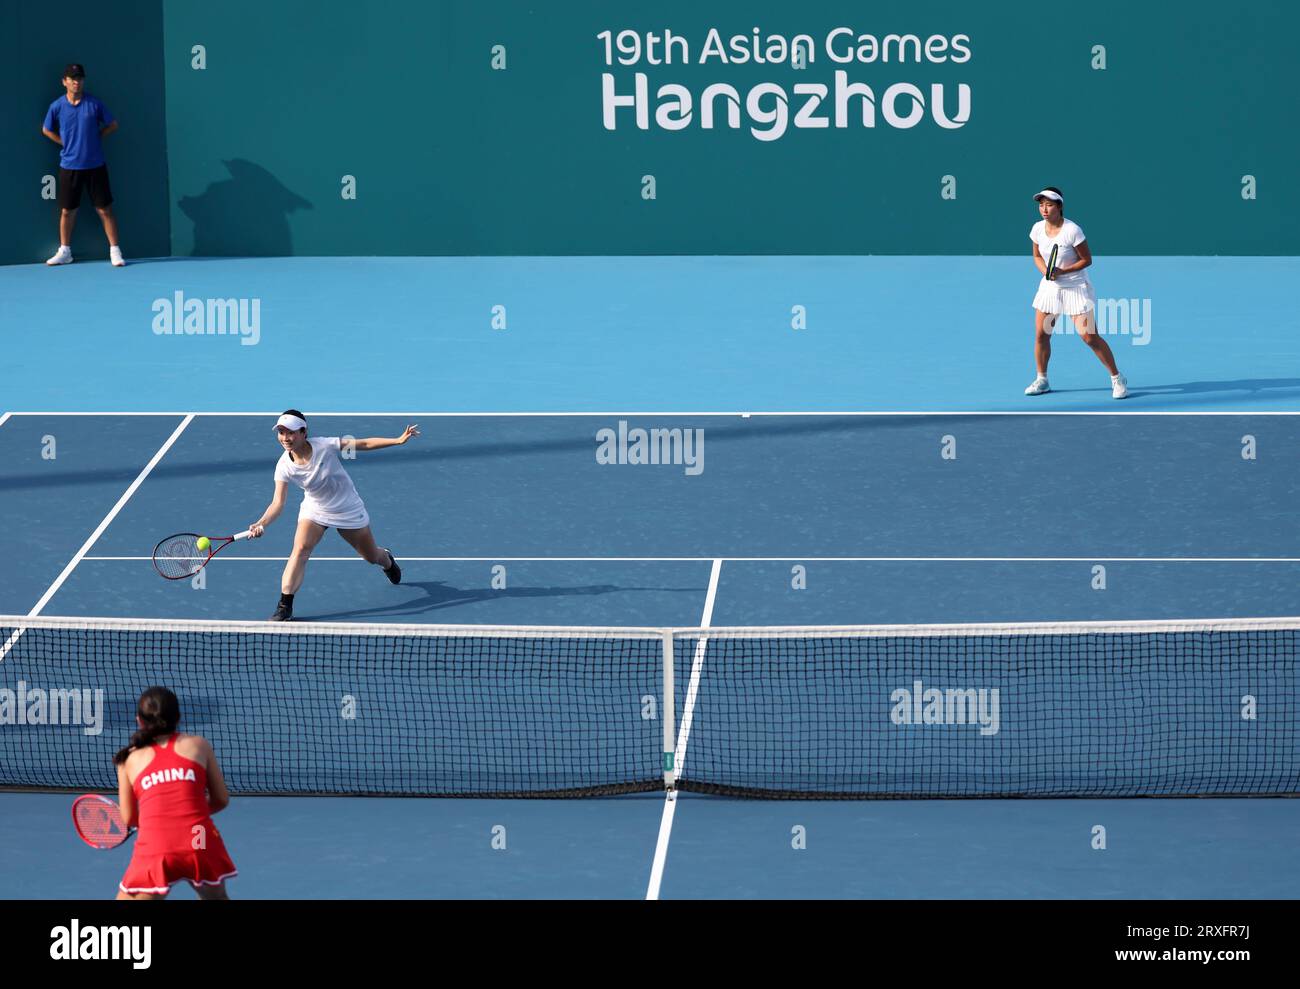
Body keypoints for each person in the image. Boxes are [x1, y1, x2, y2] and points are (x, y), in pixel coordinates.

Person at [250, 410, 419, 621]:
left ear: (304, 432)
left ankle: (387, 560)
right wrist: (261, 523)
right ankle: (285, 605)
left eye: (291, 432)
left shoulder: (325, 446)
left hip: (348, 509)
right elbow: (278, 503)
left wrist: (397, 440)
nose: (285, 438)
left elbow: (363, 444)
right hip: (315, 509)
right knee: (301, 549)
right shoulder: (283, 466)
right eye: (281, 432)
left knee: (370, 557)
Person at [115, 687, 236, 900]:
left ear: (139, 721)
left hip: (158, 845)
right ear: (178, 718)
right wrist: (188, 812)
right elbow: (221, 799)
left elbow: (130, 818)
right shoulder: (199, 745)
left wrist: (165, 818)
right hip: (200, 841)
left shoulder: (128, 760)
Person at [1024, 187, 1126, 399]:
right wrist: (1047, 272)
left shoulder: (1073, 230)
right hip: (1050, 288)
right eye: (1041, 204)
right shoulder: (1036, 229)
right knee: (1042, 334)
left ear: (1059, 206)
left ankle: (1117, 378)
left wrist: (1063, 271)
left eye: (1049, 204)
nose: (1044, 209)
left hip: (1075, 288)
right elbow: (1036, 256)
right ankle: (1042, 379)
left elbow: (1087, 259)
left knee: (1089, 337)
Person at [41, 63, 125, 267]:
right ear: (64, 82)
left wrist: (96, 138)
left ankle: (115, 250)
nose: (76, 82)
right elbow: (46, 129)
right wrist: (64, 142)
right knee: (67, 211)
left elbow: (113, 124)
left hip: (95, 165)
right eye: (72, 78)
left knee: (105, 210)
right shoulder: (57, 106)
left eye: (79, 78)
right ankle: (65, 251)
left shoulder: (94, 104)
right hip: (69, 166)